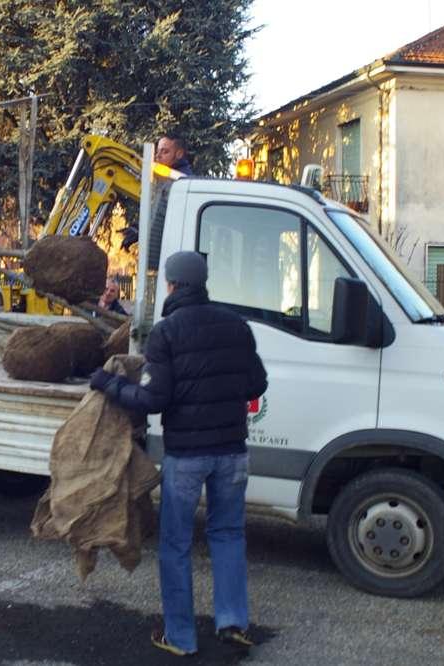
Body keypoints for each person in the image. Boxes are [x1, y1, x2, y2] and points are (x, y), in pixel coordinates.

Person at [89, 250, 267, 657]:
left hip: (187, 456)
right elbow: (257, 384)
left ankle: (181, 638)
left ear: (171, 285)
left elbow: (152, 399)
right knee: (228, 536)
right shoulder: (236, 326)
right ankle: (233, 623)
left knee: (176, 545)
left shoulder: (167, 333)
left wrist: (107, 383)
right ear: (204, 283)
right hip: (233, 455)